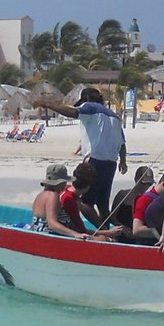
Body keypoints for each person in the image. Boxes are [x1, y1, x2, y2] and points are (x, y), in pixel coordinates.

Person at [33, 87, 127, 224]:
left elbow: (72, 112)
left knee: (85, 203)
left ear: (85, 99)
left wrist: (47, 104)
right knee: (103, 205)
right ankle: (111, 235)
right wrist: (123, 161)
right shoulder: (114, 116)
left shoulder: (90, 107)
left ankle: (103, 231)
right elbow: (122, 143)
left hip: (94, 161)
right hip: (111, 163)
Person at [28, 162, 121, 240]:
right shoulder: (52, 196)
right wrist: (75, 234)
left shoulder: (42, 194)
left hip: (43, 233)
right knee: (103, 239)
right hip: (51, 236)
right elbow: (52, 224)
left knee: (102, 237)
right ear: (61, 182)